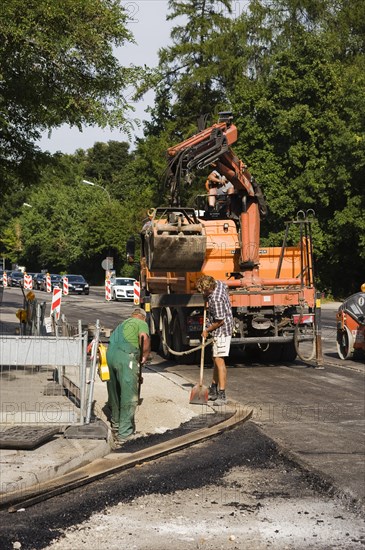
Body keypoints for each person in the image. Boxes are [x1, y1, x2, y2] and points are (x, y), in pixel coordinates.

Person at [106, 307, 150, 445]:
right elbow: (144, 337)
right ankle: (125, 434)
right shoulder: (141, 323)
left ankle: (116, 425)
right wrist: (144, 355)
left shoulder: (121, 325)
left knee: (114, 391)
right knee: (129, 393)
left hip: (109, 356)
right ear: (143, 317)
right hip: (126, 358)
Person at [196, 275, 233, 405]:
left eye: (204, 291)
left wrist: (206, 330)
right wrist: (206, 298)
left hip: (222, 330)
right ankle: (214, 388)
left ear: (210, 288)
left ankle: (222, 394)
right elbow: (225, 285)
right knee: (215, 358)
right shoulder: (218, 284)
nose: (203, 293)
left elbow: (219, 321)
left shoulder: (216, 299)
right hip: (220, 327)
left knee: (219, 360)